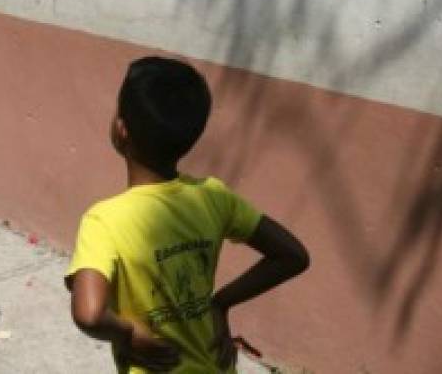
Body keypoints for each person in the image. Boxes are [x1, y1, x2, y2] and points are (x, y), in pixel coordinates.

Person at [66, 57, 310, 374]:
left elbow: (89, 313)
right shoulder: (214, 197)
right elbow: (293, 255)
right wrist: (220, 303)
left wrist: (129, 334)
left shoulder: (103, 220)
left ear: (121, 129)